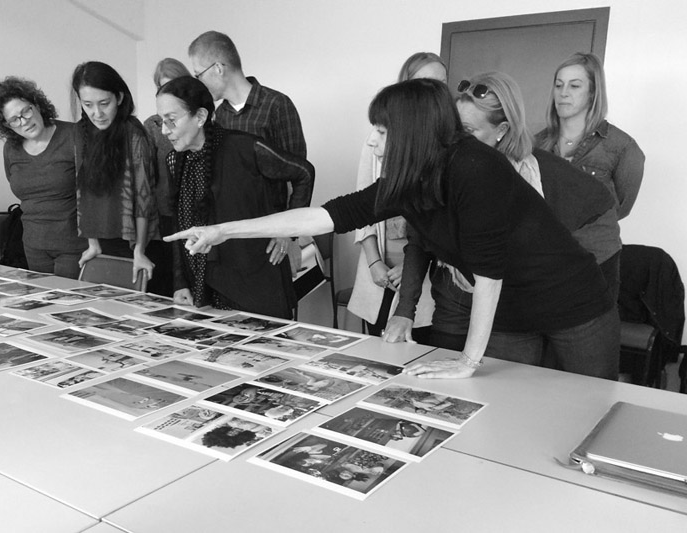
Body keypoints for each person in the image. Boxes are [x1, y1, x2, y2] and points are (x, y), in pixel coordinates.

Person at [167, 79, 618, 380]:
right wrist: (224, 229)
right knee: (508, 414)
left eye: (381, 131)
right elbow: (326, 216)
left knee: (585, 410)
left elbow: (490, 273)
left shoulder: (475, 168)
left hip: (572, 303)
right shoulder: (410, 179)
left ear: (413, 133)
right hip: (509, 313)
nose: (372, 141)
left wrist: (467, 360)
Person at [388, 71, 617, 359]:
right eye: (451, 130)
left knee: (536, 386)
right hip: (459, 291)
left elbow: (593, 225)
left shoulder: (539, 174)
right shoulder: (439, 170)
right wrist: (404, 309)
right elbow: (419, 239)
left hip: (528, 301)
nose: (452, 141)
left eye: (468, 132)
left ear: (502, 130)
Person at [156, 76, 313, 319]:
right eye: (162, 122)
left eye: (172, 121)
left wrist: (287, 231)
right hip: (203, 288)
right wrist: (179, 282)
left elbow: (304, 173)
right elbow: (180, 225)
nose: (165, 131)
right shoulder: (176, 160)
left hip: (255, 284)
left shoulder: (244, 147)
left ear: (200, 117)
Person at [188, 30, 309, 270]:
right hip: (232, 237)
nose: (197, 84)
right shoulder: (218, 117)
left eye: (198, 75)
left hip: (273, 238)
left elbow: (300, 176)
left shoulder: (276, 105)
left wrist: (289, 233)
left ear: (218, 68)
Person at [348, 52, 445, 338]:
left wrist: (412, 267)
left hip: (421, 271)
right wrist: (374, 262)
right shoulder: (379, 136)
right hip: (378, 263)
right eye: (424, 82)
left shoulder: (443, 142)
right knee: (378, 349)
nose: (434, 91)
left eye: (441, 83)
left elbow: (443, 222)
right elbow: (360, 206)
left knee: (417, 345)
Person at [535, 52, 645, 302]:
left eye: (575, 86)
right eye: (559, 84)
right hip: (543, 259)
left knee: (590, 337)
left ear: (593, 93)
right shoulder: (537, 143)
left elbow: (619, 208)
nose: (563, 93)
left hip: (597, 259)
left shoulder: (622, 146)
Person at [0, 76, 86, 278]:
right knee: (43, 304)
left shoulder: (74, 135)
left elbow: (94, 193)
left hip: (74, 244)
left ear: (37, 105)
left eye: (26, 111)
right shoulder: (11, 149)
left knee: (68, 304)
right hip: (33, 246)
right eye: (14, 119)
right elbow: (17, 186)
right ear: (7, 126)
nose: (24, 121)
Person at [71, 61, 157, 282]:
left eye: (104, 103)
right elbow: (83, 192)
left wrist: (139, 250)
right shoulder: (81, 132)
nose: (96, 113)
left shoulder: (134, 133)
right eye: (88, 104)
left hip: (136, 240)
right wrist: (92, 244)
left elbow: (144, 197)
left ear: (119, 98)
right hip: (100, 240)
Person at [143, 58, 192, 296]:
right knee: (167, 286)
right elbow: (147, 177)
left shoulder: (202, 119)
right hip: (165, 216)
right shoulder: (153, 126)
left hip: (198, 213)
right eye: (164, 88)